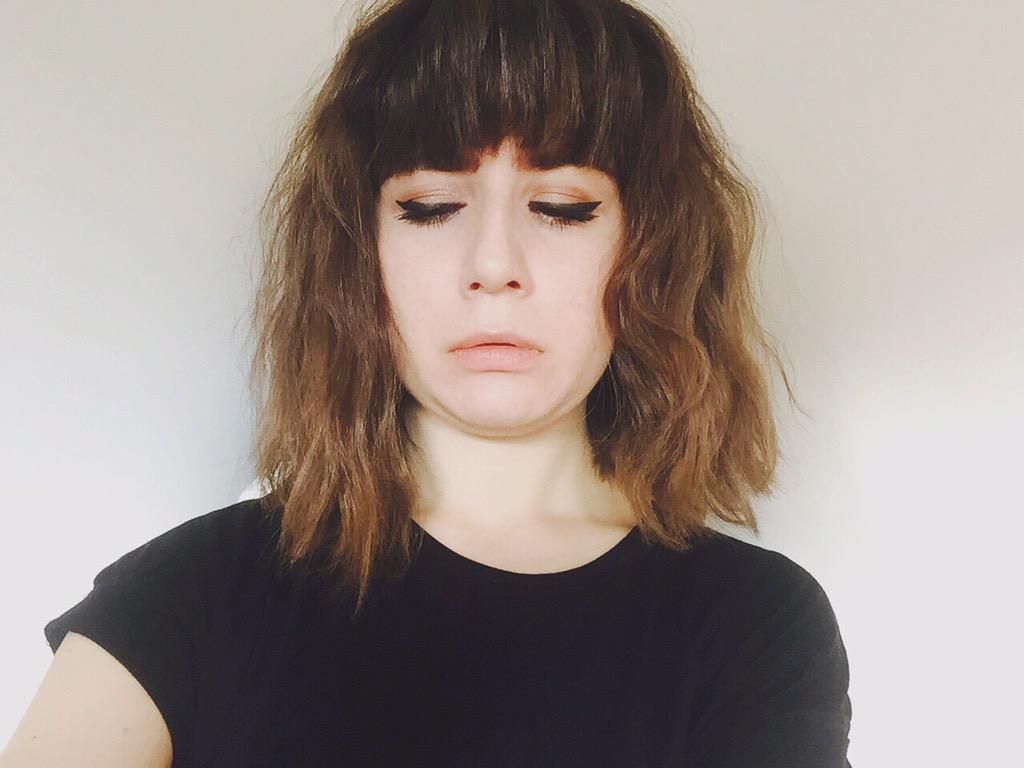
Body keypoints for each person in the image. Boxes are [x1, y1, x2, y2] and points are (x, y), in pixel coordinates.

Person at [1, 0, 853, 766]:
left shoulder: (755, 625)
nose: (494, 263)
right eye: (430, 206)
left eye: (562, 207)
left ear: (651, 251)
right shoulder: (188, 594)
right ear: (359, 253)